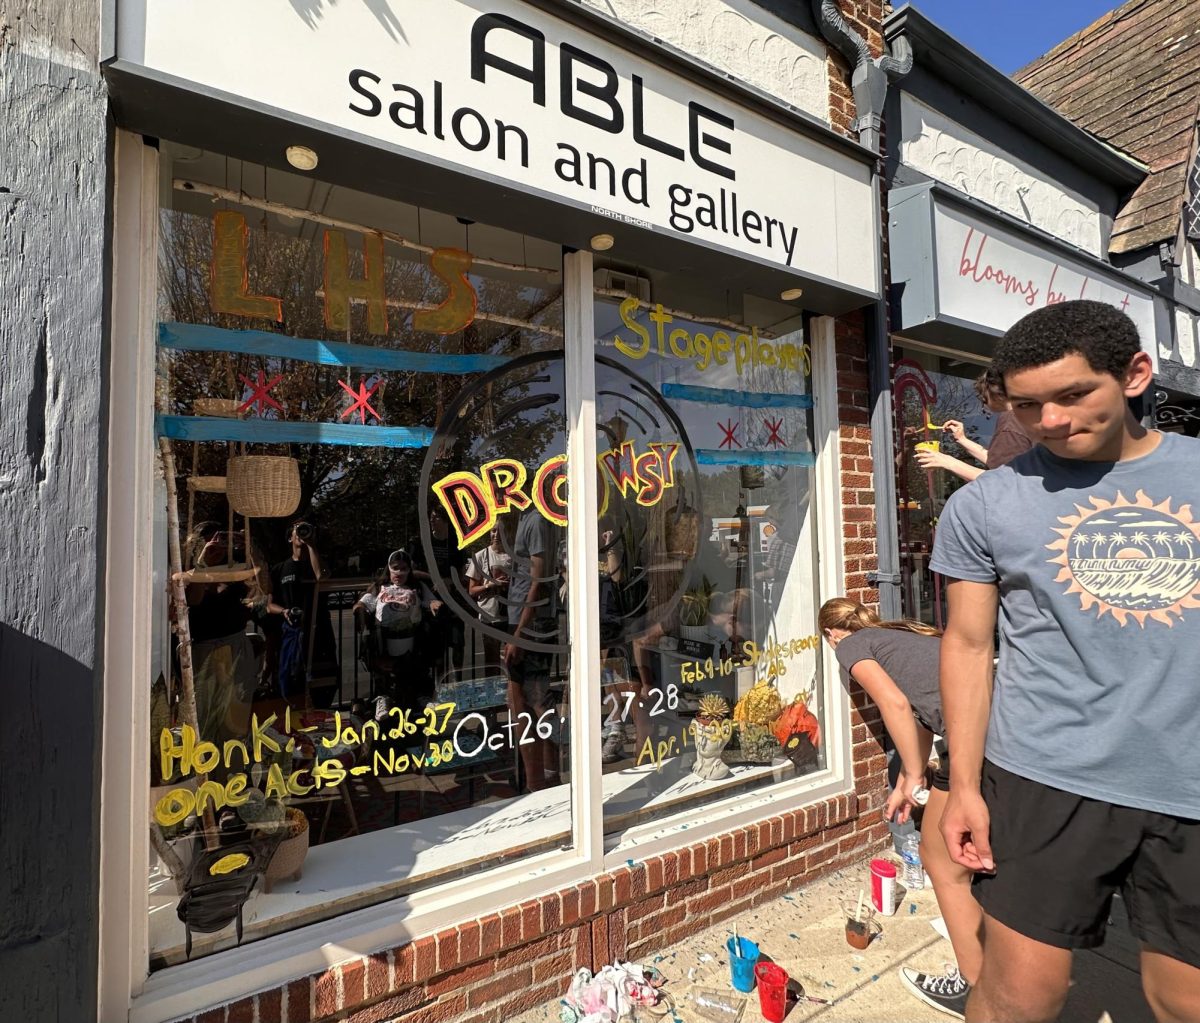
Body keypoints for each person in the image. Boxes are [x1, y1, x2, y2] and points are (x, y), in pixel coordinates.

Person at [932, 300, 1200, 1023]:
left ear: (1135, 375)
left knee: (1184, 999)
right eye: (1027, 405)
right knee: (1021, 995)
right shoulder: (984, 506)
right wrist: (962, 785)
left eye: (1073, 394)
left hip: (1189, 781)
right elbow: (967, 645)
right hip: (1046, 774)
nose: (1048, 420)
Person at [819, 598, 981, 1020]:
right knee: (951, 853)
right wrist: (910, 782)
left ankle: (978, 986)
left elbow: (894, 704)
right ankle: (990, 968)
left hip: (977, 742)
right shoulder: (899, 637)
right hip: (984, 734)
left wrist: (911, 770)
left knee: (942, 861)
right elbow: (925, 713)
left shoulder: (850, 647)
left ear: (831, 633)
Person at [503, 507, 562, 791]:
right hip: (524, 621)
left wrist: (519, 633)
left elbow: (541, 580)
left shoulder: (537, 519)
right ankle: (542, 778)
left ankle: (542, 780)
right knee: (523, 704)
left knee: (534, 704)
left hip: (532, 625)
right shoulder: (526, 519)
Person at [915, 370, 1032, 482]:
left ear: (994, 392)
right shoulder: (1028, 418)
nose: (984, 407)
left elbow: (1002, 481)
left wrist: (947, 461)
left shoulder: (1011, 422)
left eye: (983, 399)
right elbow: (1001, 463)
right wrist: (962, 439)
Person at [270, 520, 332, 708]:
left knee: (324, 681)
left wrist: (311, 544)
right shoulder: (280, 569)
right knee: (291, 681)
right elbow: (269, 604)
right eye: (298, 529)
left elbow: (321, 576)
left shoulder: (316, 561)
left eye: (307, 528)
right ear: (290, 537)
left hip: (319, 630)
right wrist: (284, 611)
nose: (302, 533)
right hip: (292, 632)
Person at [412, 502, 466, 677]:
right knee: (437, 648)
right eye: (432, 517)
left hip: (452, 599)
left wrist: (450, 580)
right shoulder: (422, 541)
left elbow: (461, 569)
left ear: (446, 520)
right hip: (431, 599)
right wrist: (433, 578)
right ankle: (440, 686)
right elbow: (411, 569)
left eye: (437, 517)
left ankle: (459, 683)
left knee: (458, 642)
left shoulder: (455, 540)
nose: (432, 520)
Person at [465, 524, 512, 670]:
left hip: (511, 616)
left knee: (513, 661)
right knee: (491, 663)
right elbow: (472, 590)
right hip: (489, 618)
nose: (496, 535)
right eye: (493, 531)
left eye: (501, 531)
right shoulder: (481, 556)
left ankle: (510, 691)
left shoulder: (513, 556)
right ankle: (493, 691)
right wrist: (489, 585)